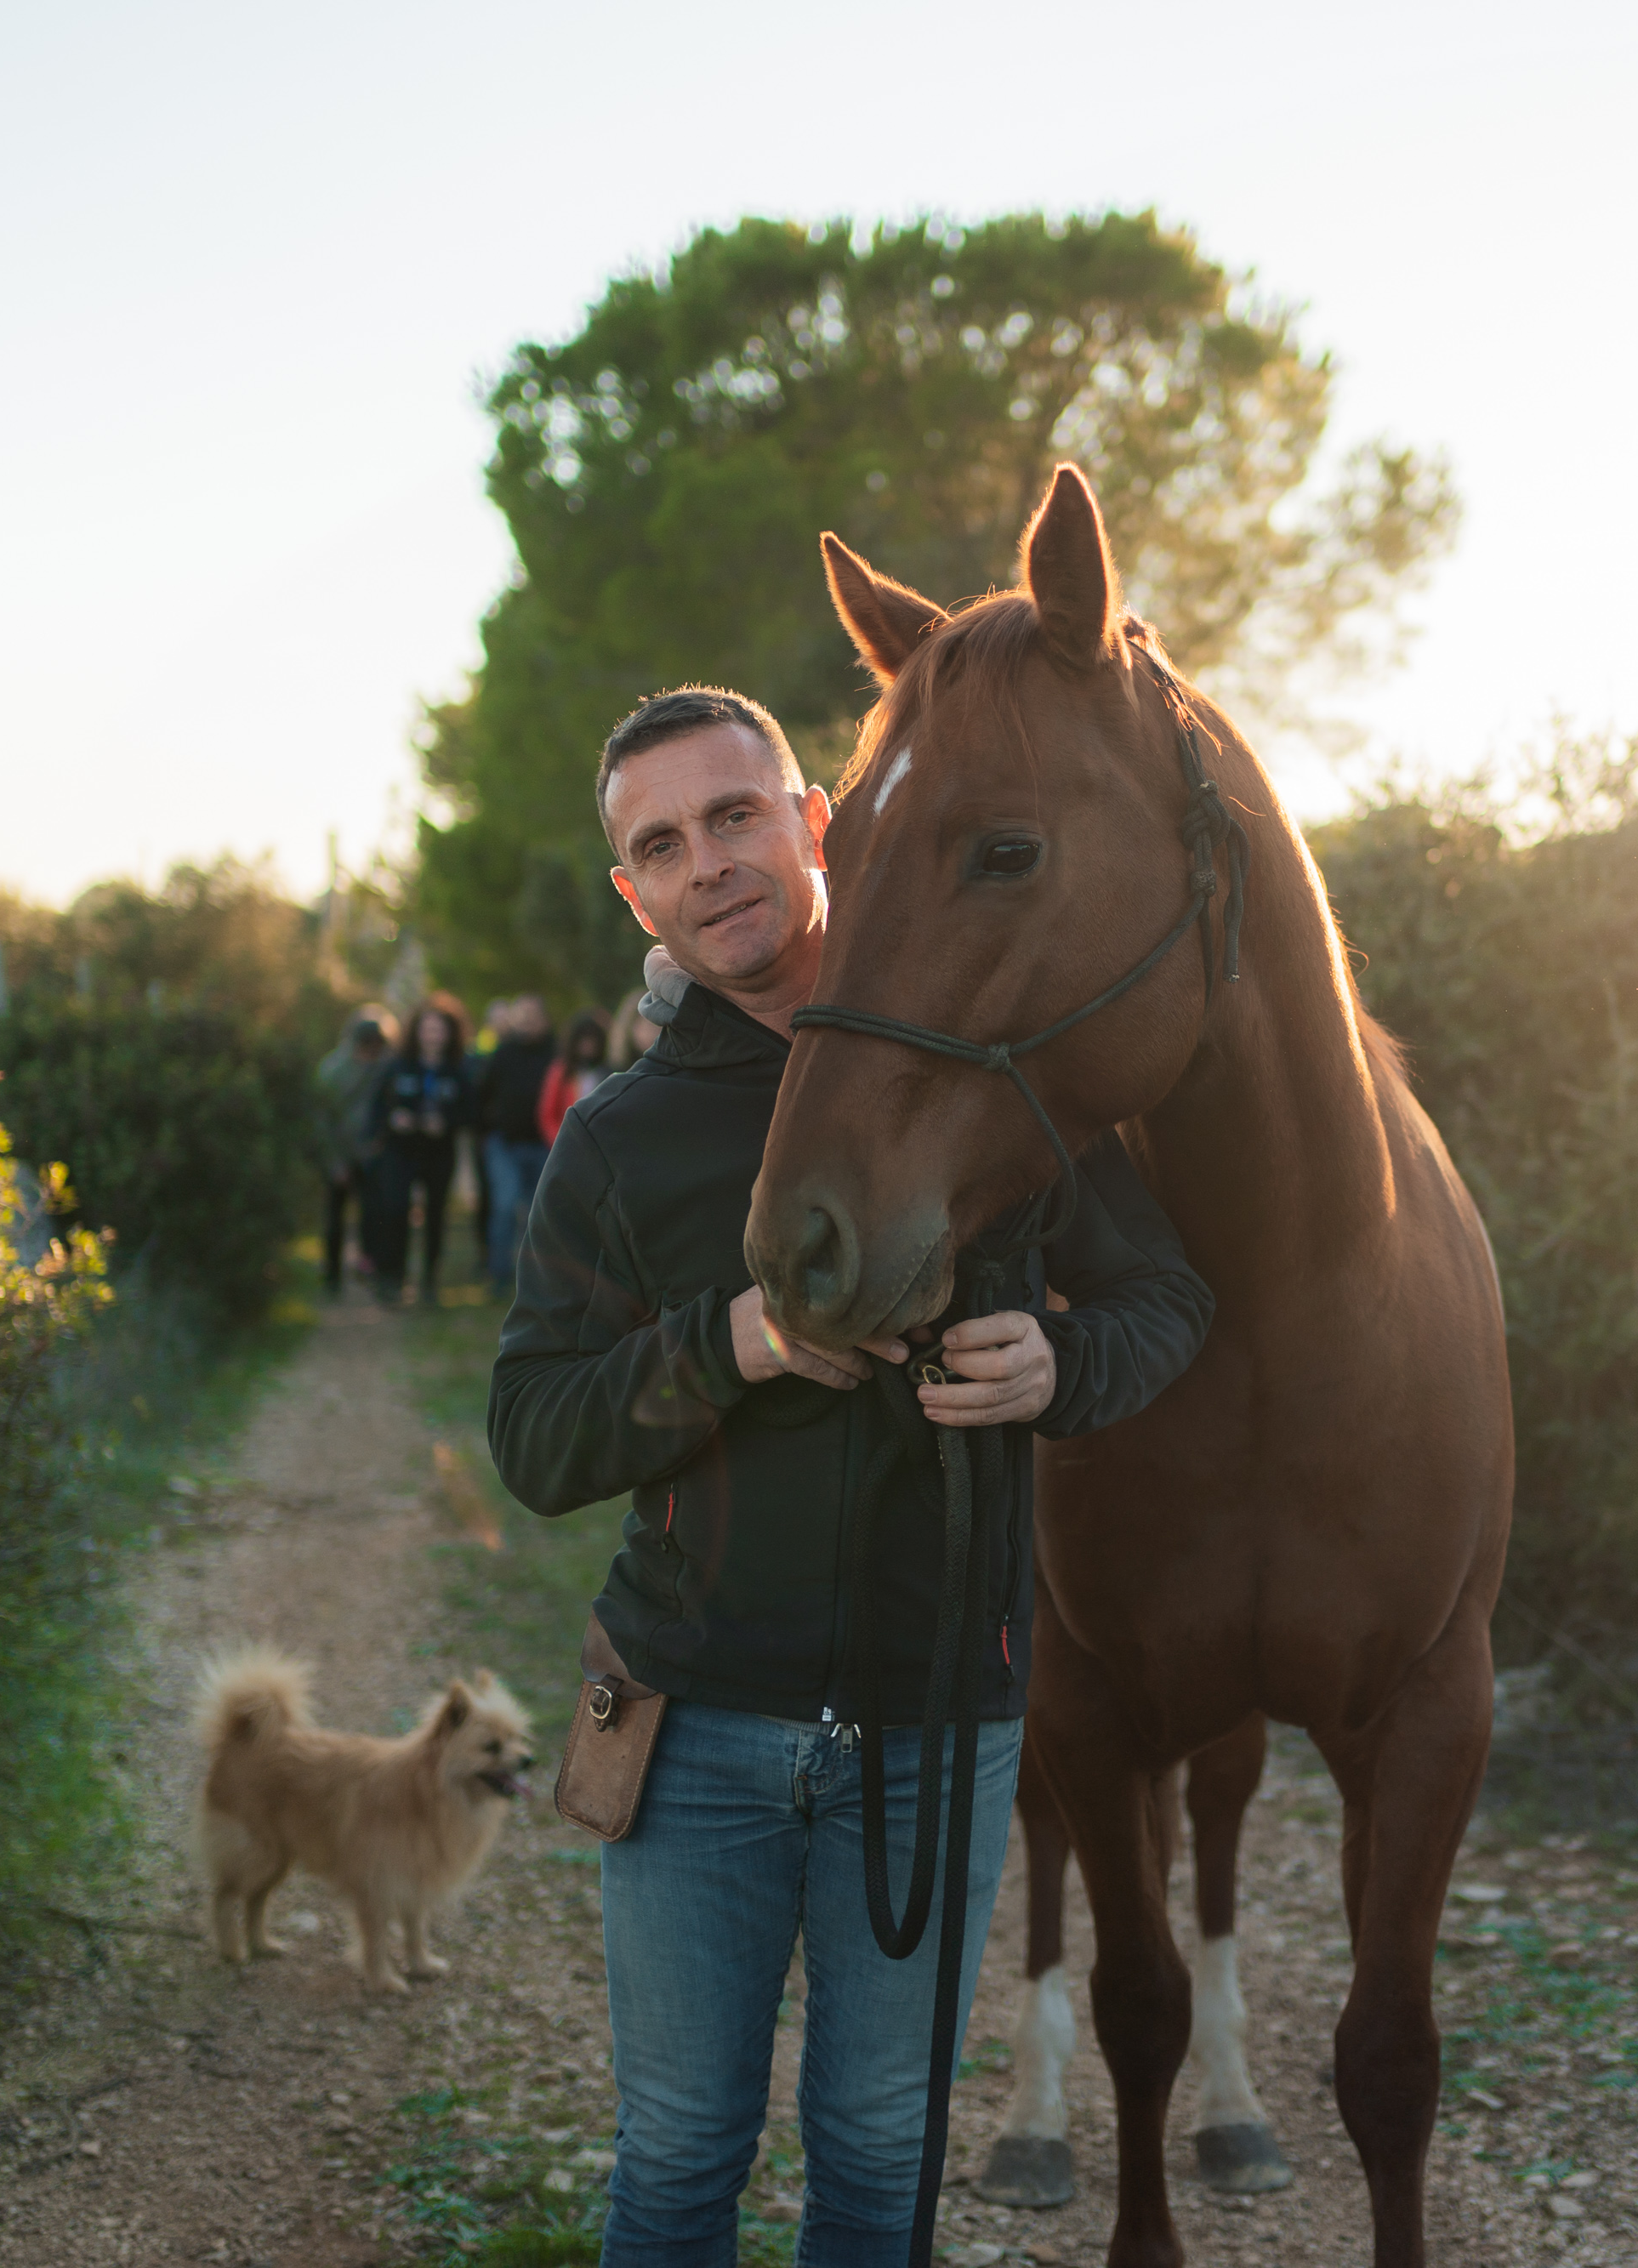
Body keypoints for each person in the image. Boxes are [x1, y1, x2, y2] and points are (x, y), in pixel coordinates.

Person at [489, 685, 1212, 2268]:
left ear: (815, 822)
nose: (710, 864)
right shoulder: (617, 1144)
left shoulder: (986, 1061)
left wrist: (1059, 1366)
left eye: (735, 815)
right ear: (638, 897)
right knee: (679, 2151)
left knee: (883, 2155)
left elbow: (1168, 1300)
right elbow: (536, 1436)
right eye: (661, 845)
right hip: (688, 1724)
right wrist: (729, 1346)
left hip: (940, 1718)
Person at [367, 994, 473, 1303]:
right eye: (427, 1029)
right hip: (400, 1152)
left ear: (450, 1033)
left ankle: (430, 1282)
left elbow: (471, 1112)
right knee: (396, 1208)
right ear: (415, 1031)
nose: (432, 1035)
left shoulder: (459, 1070)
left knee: (436, 1214)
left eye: (439, 1029)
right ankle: (392, 1278)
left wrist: (447, 1122)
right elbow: (377, 1107)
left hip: (439, 1153)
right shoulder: (396, 1066)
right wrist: (392, 1119)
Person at [472, 993, 555, 1295]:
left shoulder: (556, 1053)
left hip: (545, 1145)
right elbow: (482, 1094)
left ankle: (533, 1277)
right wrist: (484, 1134)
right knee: (505, 1205)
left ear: (544, 1019)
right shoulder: (502, 1053)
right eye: (521, 1015)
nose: (527, 1021)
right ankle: (498, 1274)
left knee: (538, 1212)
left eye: (532, 1015)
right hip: (504, 1144)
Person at [311, 1006, 398, 1292]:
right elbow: (321, 1120)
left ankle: (369, 1267)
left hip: (371, 1155)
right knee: (334, 1219)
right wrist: (335, 1163)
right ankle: (332, 1277)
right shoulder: (333, 1070)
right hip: (338, 1153)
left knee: (374, 1216)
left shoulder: (385, 1068)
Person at [535, 1010, 610, 1142]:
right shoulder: (561, 1071)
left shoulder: (606, 1072)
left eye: (592, 1040)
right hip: (567, 1142)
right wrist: (561, 1141)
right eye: (583, 1040)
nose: (588, 1046)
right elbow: (548, 1115)